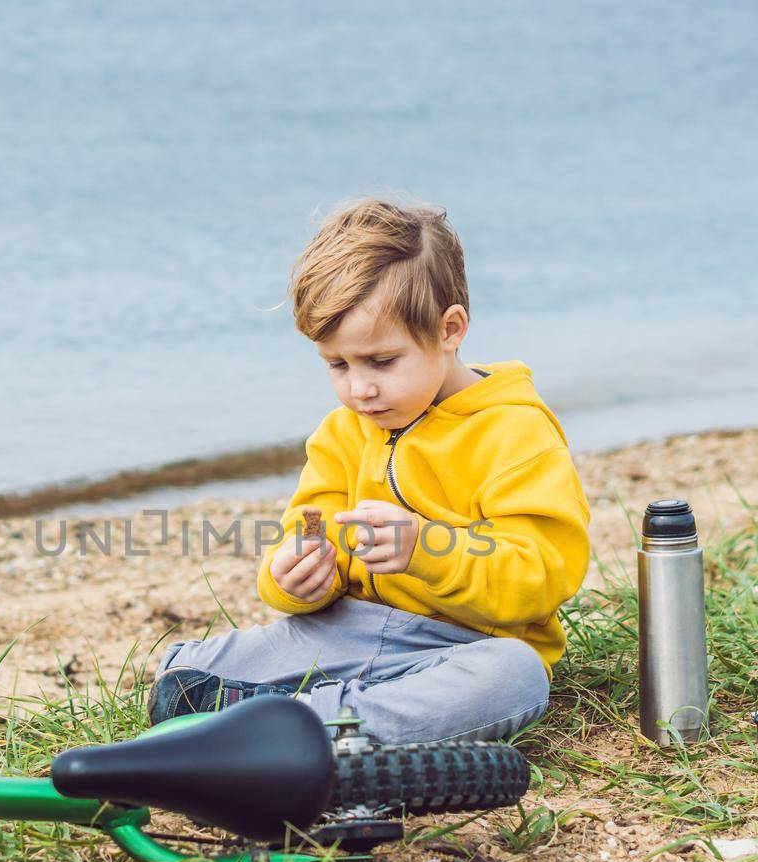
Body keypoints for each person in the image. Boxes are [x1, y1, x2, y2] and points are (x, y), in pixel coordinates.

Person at [148, 198, 590, 744]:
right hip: (349, 632)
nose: (360, 389)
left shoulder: (514, 432)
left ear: (450, 329)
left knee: (514, 679)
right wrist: (295, 578)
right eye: (338, 364)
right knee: (184, 667)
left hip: (466, 646)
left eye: (382, 362)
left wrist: (428, 550)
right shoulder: (342, 432)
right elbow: (307, 529)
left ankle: (314, 726)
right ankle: (291, 716)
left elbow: (543, 575)